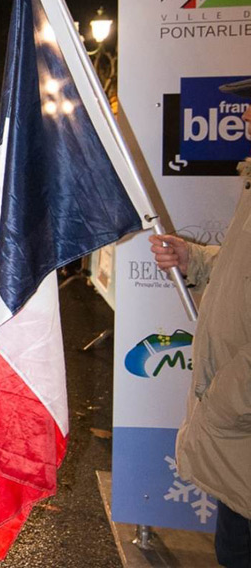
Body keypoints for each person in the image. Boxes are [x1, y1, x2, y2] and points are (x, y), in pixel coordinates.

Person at [148, 100, 251, 567]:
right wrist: (198, 261)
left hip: (238, 428)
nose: (246, 117)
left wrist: (221, 409)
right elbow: (239, 271)